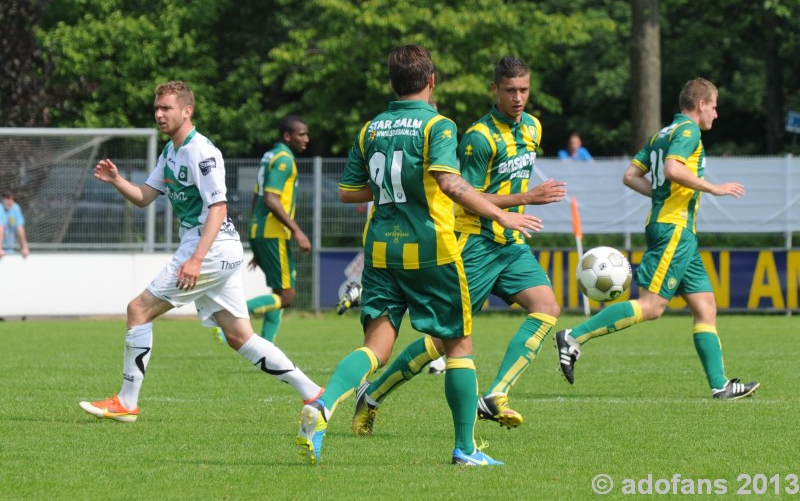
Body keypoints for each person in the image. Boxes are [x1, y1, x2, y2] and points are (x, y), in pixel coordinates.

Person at [295, 44, 543, 467]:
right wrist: (503, 214)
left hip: (380, 251)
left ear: (392, 84)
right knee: (458, 345)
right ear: (431, 82)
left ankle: (322, 407)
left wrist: (395, 185)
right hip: (431, 251)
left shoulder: (370, 129)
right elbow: (451, 185)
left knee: (376, 346)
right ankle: (465, 448)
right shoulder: (439, 126)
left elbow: (348, 191)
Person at [79, 80, 322, 423]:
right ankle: (313, 392)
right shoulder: (170, 151)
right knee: (240, 337)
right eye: (157, 108)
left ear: (186, 111)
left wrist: (195, 259)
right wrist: (118, 180)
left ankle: (126, 402)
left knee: (138, 310)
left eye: (166, 108)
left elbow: (218, 208)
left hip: (208, 246)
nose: (159, 114)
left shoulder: (201, 152)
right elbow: (145, 198)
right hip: (215, 248)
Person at [351, 56, 567, 435]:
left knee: (547, 307)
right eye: (510, 91)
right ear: (495, 90)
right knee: (441, 340)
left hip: (509, 242)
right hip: (474, 241)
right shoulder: (478, 139)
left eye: (524, 90)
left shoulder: (533, 127)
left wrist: (517, 209)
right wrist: (524, 200)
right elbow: (462, 195)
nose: (518, 98)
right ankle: (372, 396)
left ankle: (497, 394)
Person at [555, 77, 759, 400]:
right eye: (715, 107)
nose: (716, 115)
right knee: (651, 307)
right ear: (701, 105)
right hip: (674, 229)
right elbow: (674, 169)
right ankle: (573, 336)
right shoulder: (688, 131)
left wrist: (661, 195)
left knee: (706, 306)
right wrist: (715, 188)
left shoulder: (661, 133)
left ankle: (720, 385)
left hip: (678, 232)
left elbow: (630, 176)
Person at [243, 116, 311, 342]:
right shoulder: (284, 159)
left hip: (261, 231)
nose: (306, 139)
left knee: (278, 293)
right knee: (288, 296)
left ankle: (265, 345)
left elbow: (257, 196)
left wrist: (257, 240)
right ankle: (234, 314)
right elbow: (272, 200)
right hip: (273, 233)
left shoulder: (269, 156)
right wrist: (297, 231)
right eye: (301, 135)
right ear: (287, 136)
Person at [0, 191, 30, 259]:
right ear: (2, 199)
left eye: (12, 199)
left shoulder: (15, 208)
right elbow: (0, 228)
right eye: (7, 198)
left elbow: (20, 228)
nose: (10, 202)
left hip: (9, 250)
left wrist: (24, 247)